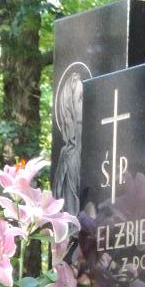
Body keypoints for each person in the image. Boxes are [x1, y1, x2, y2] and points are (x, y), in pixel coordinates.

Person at [52, 63, 88, 213]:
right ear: (69, 106)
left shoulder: (88, 142)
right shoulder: (68, 154)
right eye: (79, 99)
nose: (83, 103)